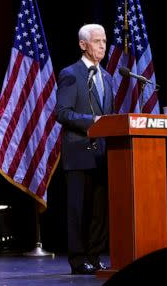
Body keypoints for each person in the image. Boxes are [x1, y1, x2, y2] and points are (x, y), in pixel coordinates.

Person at [55, 24, 113, 275]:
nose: (102, 45)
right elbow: (63, 113)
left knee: (100, 211)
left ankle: (95, 255)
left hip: (103, 154)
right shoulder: (70, 74)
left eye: (104, 41)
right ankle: (78, 260)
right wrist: (93, 122)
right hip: (79, 152)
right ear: (83, 45)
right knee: (79, 210)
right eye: (97, 41)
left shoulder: (108, 77)